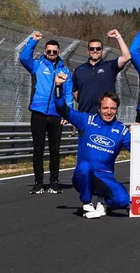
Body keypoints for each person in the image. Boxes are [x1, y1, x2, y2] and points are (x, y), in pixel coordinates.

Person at [54, 72, 131, 219]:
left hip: (105, 177)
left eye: (113, 109)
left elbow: (138, 149)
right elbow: (61, 108)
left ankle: (102, 200)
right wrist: (58, 86)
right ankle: (87, 203)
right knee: (85, 166)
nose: (109, 112)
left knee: (122, 199)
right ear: (99, 108)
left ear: (117, 109)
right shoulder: (86, 120)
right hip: (83, 176)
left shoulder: (122, 130)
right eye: (105, 108)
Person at [19, 31, 72, 194]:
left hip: (56, 115)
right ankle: (38, 183)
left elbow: (69, 93)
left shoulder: (66, 71)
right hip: (38, 113)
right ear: (44, 52)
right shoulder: (36, 65)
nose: (51, 53)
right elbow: (23, 58)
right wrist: (32, 41)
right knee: (38, 150)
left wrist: (67, 114)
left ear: (59, 52)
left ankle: (54, 183)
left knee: (55, 150)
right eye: (48, 51)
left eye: (54, 51)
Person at [72, 29, 132, 113]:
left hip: (106, 116)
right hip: (85, 115)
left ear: (102, 51)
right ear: (88, 52)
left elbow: (127, 57)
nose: (95, 51)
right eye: (92, 49)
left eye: (98, 48)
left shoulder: (110, 66)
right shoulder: (79, 70)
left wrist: (118, 36)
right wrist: (84, 101)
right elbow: (74, 91)